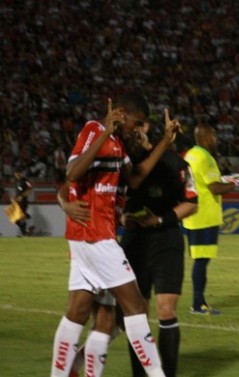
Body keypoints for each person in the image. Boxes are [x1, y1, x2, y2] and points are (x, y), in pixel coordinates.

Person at [51, 90, 179, 377]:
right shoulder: (95, 130)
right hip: (95, 236)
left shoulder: (119, 144)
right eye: (138, 121)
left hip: (96, 234)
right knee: (136, 305)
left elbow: (134, 179)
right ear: (121, 112)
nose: (140, 127)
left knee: (87, 313)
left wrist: (164, 143)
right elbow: (72, 172)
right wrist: (65, 203)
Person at [117, 124, 198, 377]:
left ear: (145, 130)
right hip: (135, 242)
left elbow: (191, 203)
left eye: (136, 130)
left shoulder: (176, 163)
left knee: (166, 309)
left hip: (166, 241)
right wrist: (123, 219)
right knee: (136, 313)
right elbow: (114, 202)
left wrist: (160, 220)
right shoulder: (126, 165)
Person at [182, 124, 239, 315]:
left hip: (193, 214)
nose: (216, 140)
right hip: (204, 216)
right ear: (206, 137)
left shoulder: (191, 154)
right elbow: (215, 188)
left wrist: (231, 178)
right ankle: (198, 304)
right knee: (202, 260)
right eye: (214, 136)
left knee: (201, 259)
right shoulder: (205, 158)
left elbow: (207, 181)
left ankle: (199, 302)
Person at [13, 169, 32, 236]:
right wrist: (14, 198)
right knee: (15, 218)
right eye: (16, 174)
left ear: (21, 173)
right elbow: (17, 192)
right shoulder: (16, 181)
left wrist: (22, 196)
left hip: (23, 201)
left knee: (20, 216)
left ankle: (23, 232)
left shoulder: (25, 181)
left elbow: (30, 189)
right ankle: (24, 231)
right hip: (17, 202)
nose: (17, 175)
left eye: (18, 173)